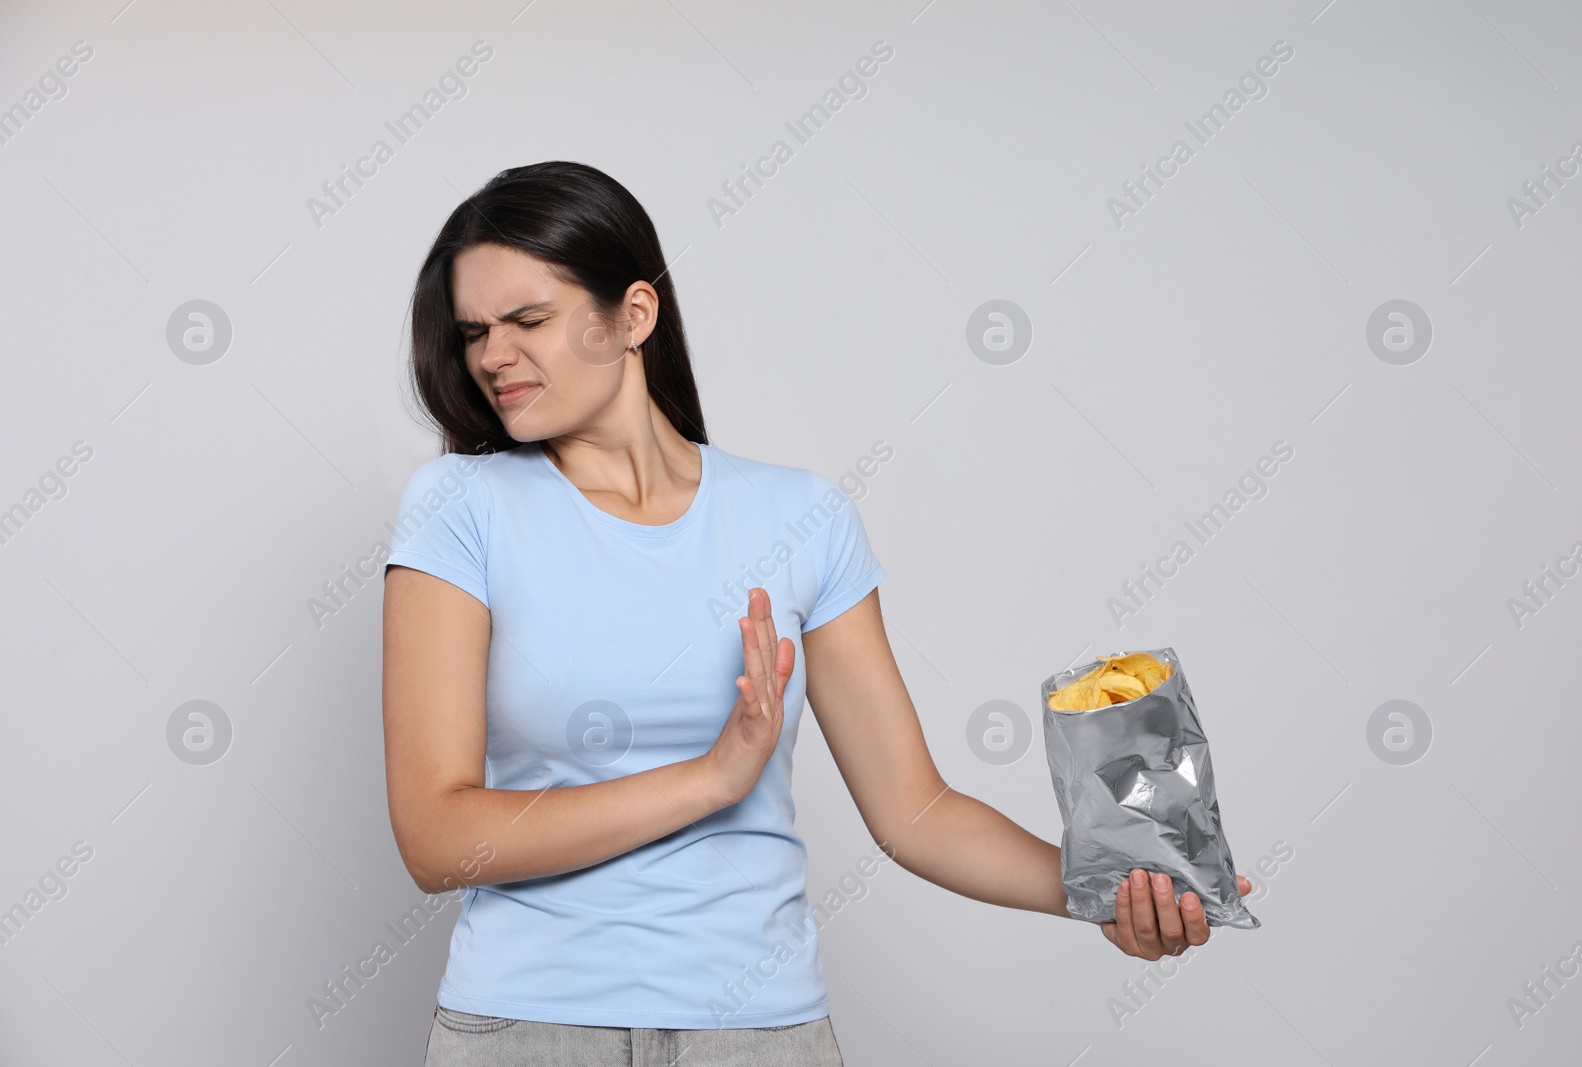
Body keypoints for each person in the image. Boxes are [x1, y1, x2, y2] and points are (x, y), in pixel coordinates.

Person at [381, 161, 1252, 1067]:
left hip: (761, 1034)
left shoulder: (799, 518)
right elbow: (437, 839)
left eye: (528, 320)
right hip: (525, 1030)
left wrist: (1097, 887)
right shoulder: (459, 507)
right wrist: (712, 778)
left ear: (632, 316)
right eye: (476, 330)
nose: (491, 356)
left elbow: (915, 809)